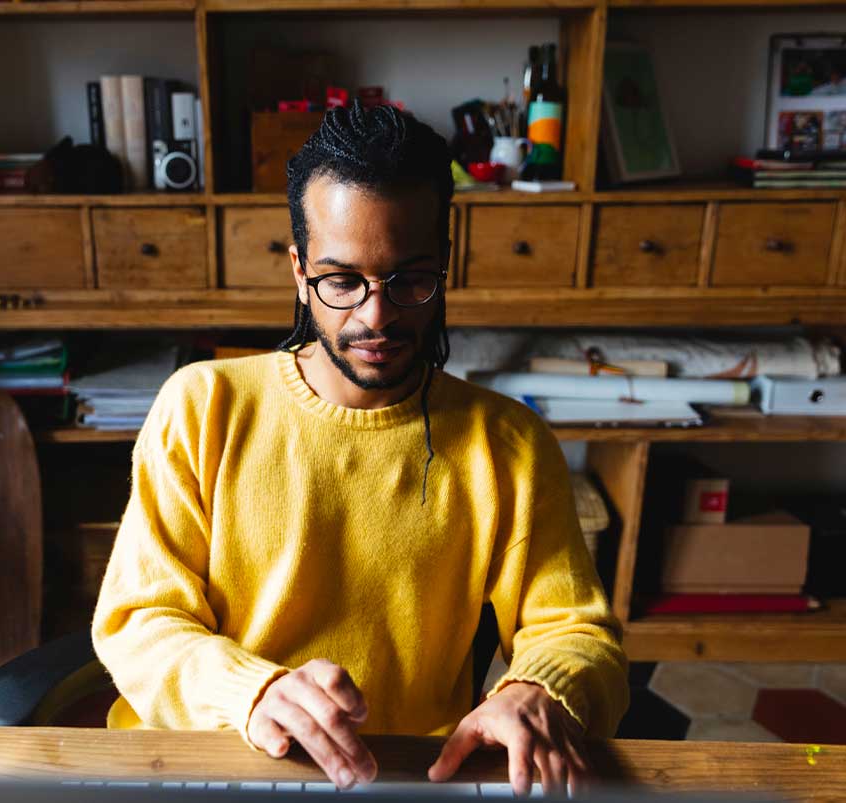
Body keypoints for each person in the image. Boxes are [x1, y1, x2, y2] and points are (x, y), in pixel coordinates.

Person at [92, 101, 629, 797]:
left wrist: (542, 688)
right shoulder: (201, 407)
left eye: (409, 279)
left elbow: (579, 633)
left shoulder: (509, 444)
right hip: (198, 765)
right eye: (341, 281)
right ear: (298, 270)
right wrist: (253, 692)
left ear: (445, 265)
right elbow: (138, 622)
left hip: (402, 777)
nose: (376, 316)